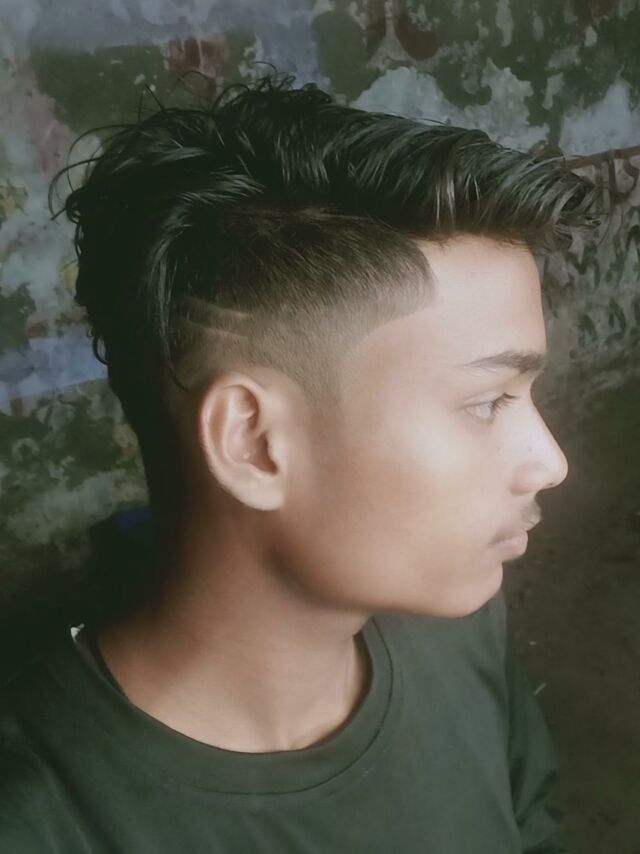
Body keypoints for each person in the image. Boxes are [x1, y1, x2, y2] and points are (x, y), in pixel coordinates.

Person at [0, 73, 599, 853]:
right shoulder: (43, 821)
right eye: (487, 403)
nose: (550, 463)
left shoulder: (459, 631)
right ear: (253, 443)